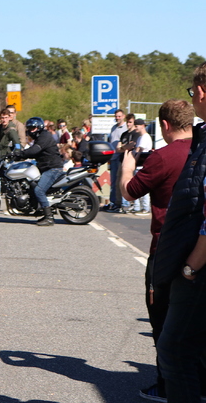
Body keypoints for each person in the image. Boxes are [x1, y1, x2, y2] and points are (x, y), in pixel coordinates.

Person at [118, 100, 194, 402]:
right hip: (197, 245)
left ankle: (166, 384)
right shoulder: (199, 151)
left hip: (165, 246)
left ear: (164, 125)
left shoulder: (163, 156)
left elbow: (130, 192)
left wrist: (127, 168)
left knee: (161, 316)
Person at [150, 64, 206, 403]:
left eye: (194, 91)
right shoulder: (200, 140)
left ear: (201, 92)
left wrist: (190, 266)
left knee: (174, 351)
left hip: (196, 267)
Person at [13, 117, 63, 226]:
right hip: (45, 166)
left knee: (39, 190)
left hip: (53, 168)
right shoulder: (41, 137)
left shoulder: (44, 137)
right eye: (29, 128)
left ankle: (49, 217)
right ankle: (36, 207)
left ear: (39, 127)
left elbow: (35, 149)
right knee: (31, 183)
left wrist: (21, 154)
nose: (31, 130)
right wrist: (18, 156)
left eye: (33, 128)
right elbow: (35, 152)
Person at [104, 109, 128, 212]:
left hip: (121, 157)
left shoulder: (126, 128)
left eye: (119, 116)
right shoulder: (113, 128)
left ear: (123, 116)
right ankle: (113, 202)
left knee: (121, 181)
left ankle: (123, 203)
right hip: (113, 157)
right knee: (113, 182)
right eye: (116, 116)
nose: (117, 118)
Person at [132, 118, 153, 215]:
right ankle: (137, 207)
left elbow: (139, 151)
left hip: (142, 165)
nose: (135, 128)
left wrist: (133, 162)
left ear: (142, 126)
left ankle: (145, 207)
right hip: (138, 166)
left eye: (137, 126)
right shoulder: (140, 137)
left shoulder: (145, 137)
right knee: (137, 187)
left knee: (143, 187)